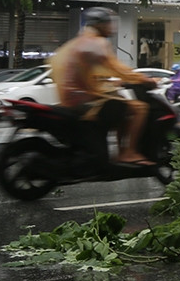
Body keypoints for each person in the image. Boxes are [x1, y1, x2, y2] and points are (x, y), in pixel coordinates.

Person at [49, 8, 152, 165]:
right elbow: (117, 68)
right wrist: (144, 79)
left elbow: (90, 73)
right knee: (139, 108)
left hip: (73, 96)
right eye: (109, 23)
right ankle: (128, 152)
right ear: (100, 25)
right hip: (82, 100)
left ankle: (121, 152)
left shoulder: (80, 41)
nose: (112, 27)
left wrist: (112, 82)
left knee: (122, 105)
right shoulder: (96, 43)